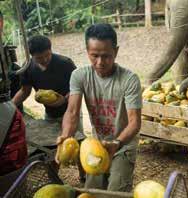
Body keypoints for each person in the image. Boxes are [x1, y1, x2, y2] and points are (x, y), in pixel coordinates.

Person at [56, 24, 142, 192]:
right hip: (97, 143)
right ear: (87, 51)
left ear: (116, 52)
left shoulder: (129, 79)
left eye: (106, 56)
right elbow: (72, 112)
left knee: (116, 191)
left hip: (123, 145)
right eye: (94, 56)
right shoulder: (79, 76)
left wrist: (117, 143)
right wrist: (66, 136)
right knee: (92, 191)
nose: (100, 62)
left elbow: (134, 123)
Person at [12, 35, 85, 180]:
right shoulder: (28, 67)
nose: (45, 60)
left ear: (51, 50)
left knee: (77, 142)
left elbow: (77, 88)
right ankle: (53, 177)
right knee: (53, 145)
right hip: (50, 113)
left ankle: (83, 175)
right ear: (32, 56)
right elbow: (25, 90)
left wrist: (64, 100)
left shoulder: (65, 63)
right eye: (40, 58)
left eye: (47, 55)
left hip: (71, 110)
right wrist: (10, 106)